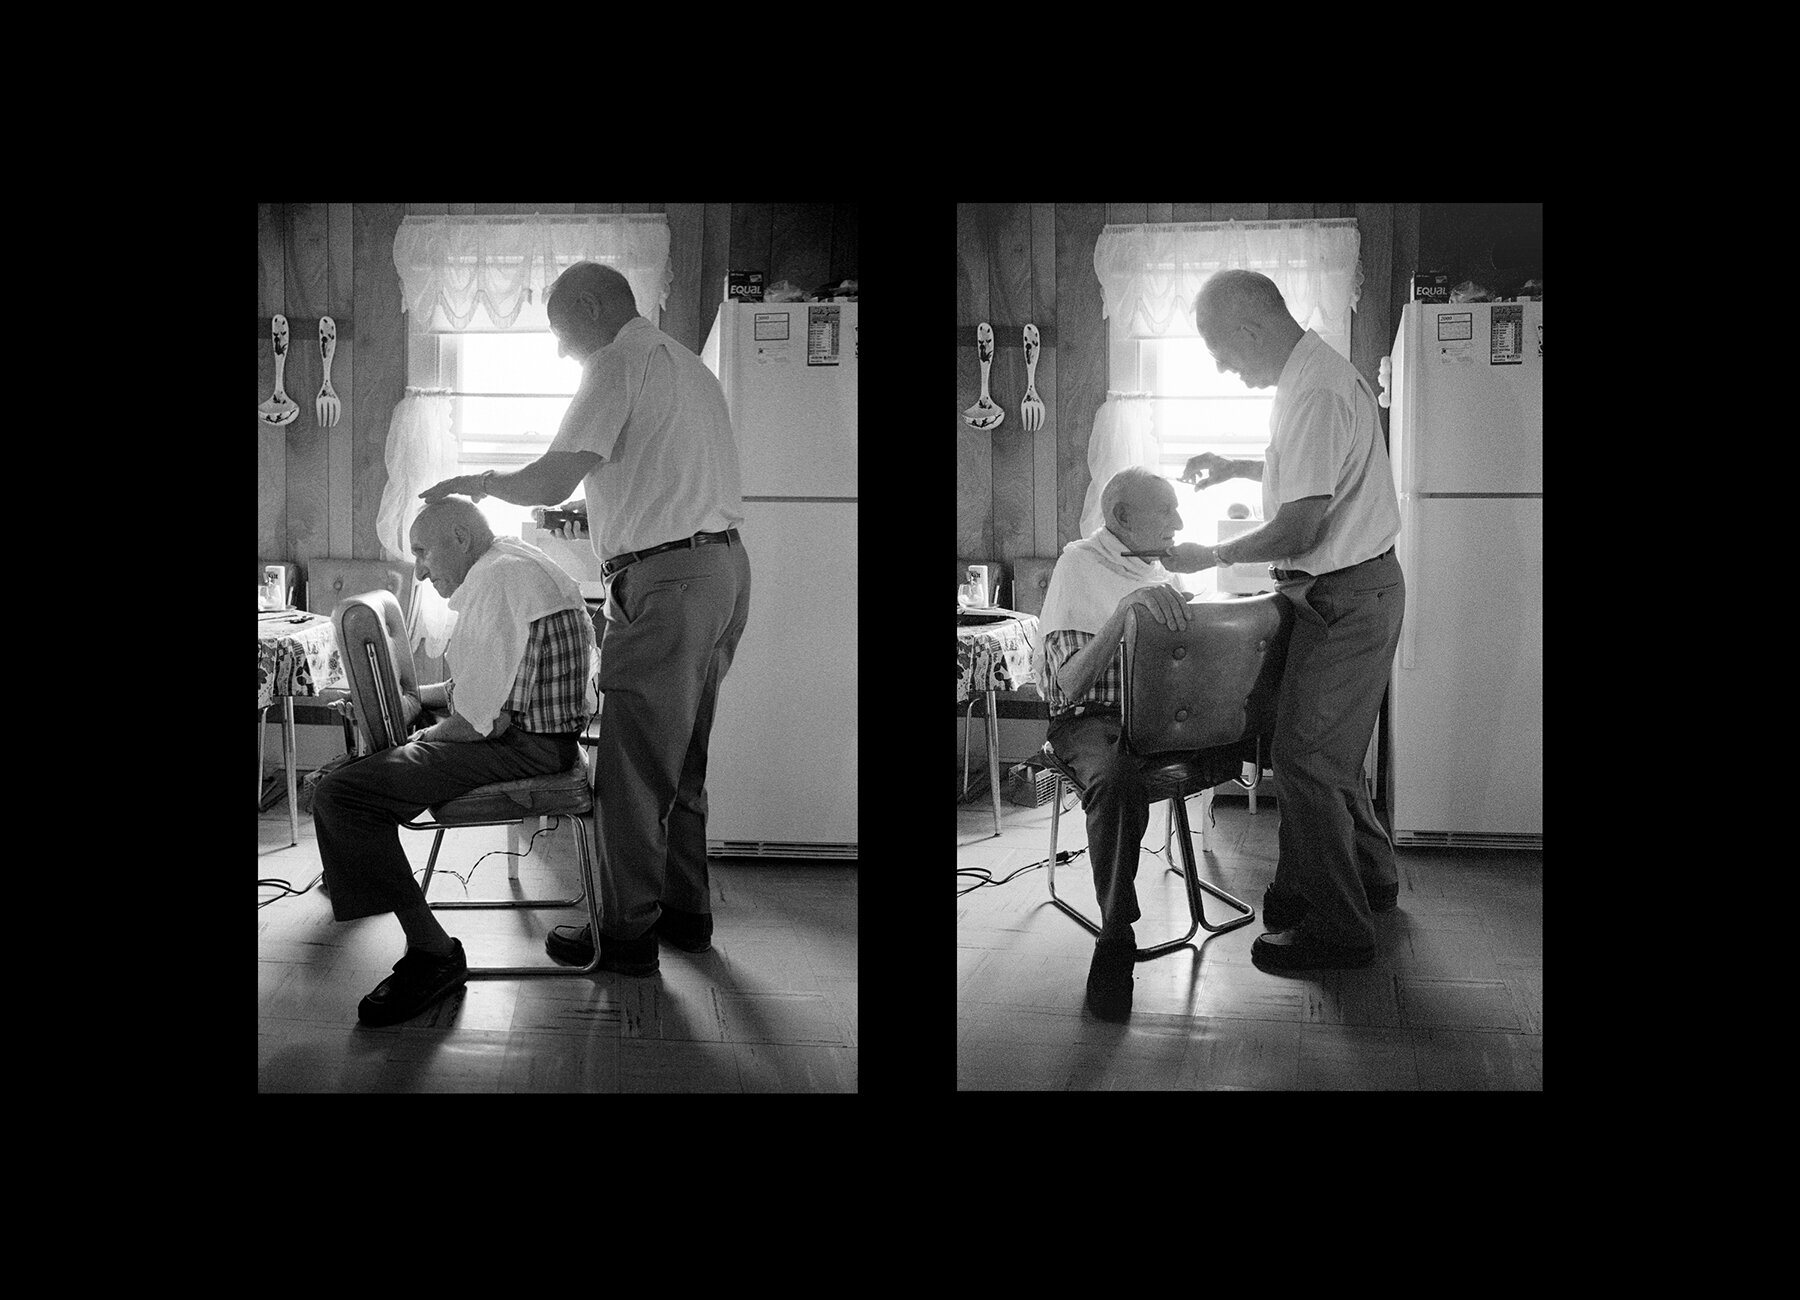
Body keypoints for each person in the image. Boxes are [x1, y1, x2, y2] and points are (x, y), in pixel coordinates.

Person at [420, 260, 749, 978]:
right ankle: (686, 914)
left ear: (593, 305)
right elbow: (651, 477)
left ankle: (627, 935)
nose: (564, 350)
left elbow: (551, 474)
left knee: (631, 769)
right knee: (682, 757)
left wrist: (471, 482)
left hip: (667, 584)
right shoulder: (684, 364)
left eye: (562, 332)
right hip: (720, 571)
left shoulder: (617, 360)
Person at [1176, 268, 1405, 974]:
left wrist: (1211, 552)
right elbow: (1310, 474)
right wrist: (1241, 466)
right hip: (1351, 592)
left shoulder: (1312, 389)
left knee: (1305, 759)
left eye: (1220, 348)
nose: (1221, 364)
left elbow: (1303, 525)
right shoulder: (1313, 376)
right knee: (1326, 753)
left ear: (1250, 327)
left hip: (1343, 598)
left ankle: (1339, 930)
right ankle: (1371, 878)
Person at [312, 497, 599, 1026]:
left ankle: (434, 954)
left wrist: (417, 737)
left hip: (525, 747)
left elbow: (476, 724)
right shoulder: (508, 563)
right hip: (536, 736)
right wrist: (420, 702)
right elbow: (483, 687)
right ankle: (364, 875)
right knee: (344, 783)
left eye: (423, 551)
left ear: (461, 539)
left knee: (340, 793)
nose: (418, 570)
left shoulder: (497, 584)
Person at [1035, 466, 1243, 1021]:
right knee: (1116, 778)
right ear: (1121, 518)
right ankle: (1116, 933)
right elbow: (1070, 685)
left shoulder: (1160, 572)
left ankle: (1299, 901)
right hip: (1089, 719)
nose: (1179, 520)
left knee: (1252, 736)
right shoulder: (1079, 564)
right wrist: (1128, 610)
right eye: (1166, 509)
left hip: (1158, 718)